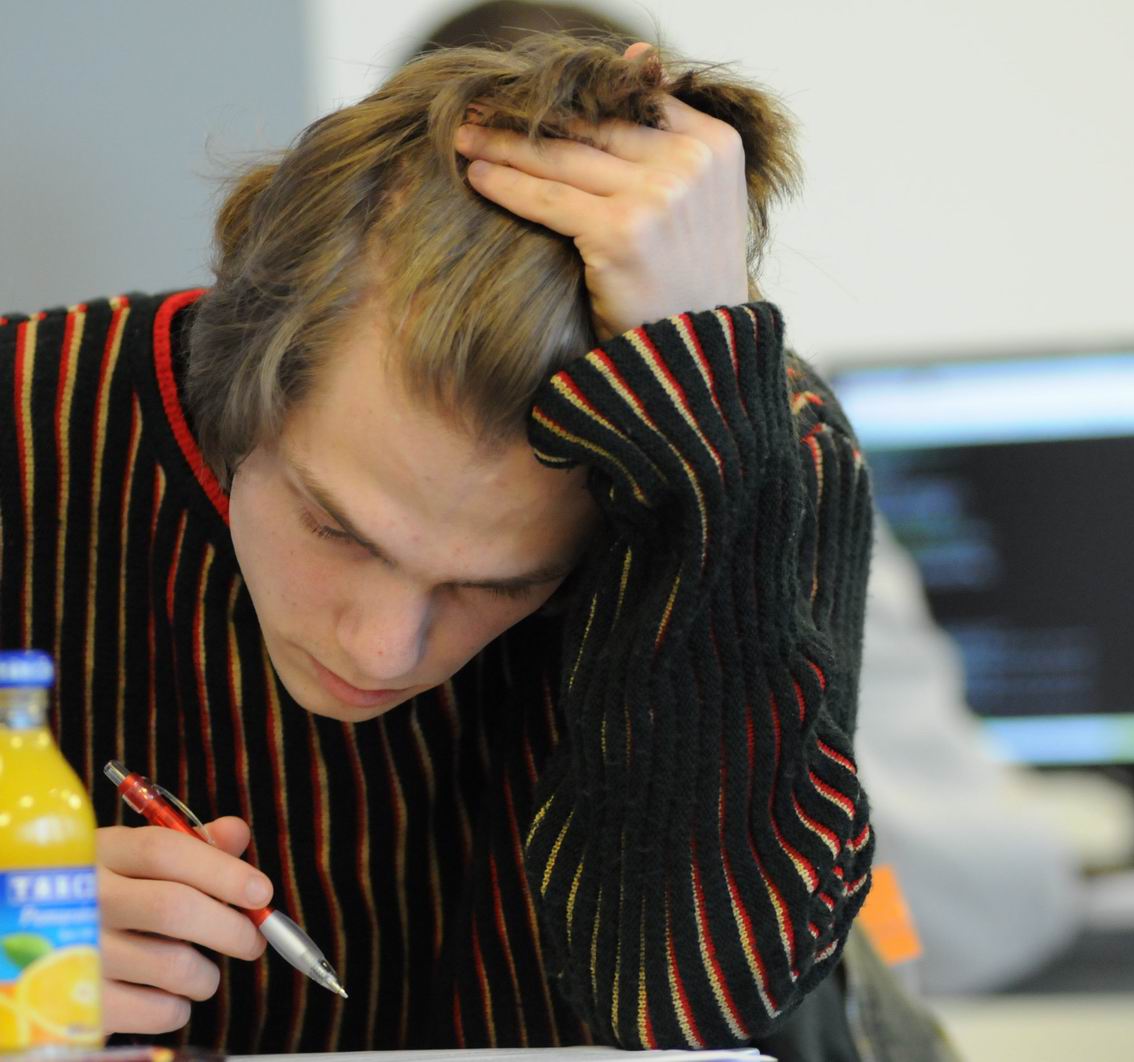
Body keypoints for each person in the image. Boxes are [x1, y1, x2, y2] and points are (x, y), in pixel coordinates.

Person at [0, 34, 874, 1052]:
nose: (381, 648)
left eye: (502, 586)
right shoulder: (27, 420)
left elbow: (692, 1001)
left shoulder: (760, 452)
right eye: (336, 527)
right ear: (231, 368)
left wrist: (707, 473)